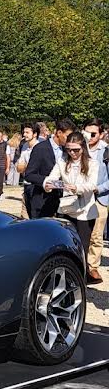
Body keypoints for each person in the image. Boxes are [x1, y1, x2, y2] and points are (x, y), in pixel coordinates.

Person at [43, 131, 98, 259]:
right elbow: (52, 177)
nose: (72, 153)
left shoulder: (92, 163)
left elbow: (92, 185)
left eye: (76, 150)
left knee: (82, 247)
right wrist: (47, 184)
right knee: (66, 244)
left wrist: (77, 188)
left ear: (83, 148)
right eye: (68, 150)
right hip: (67, 208)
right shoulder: (62, 161)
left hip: (85, 212)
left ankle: (81, 275)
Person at [24, 119, 75, 219]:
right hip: (42, 201)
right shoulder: (40, 148)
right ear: (59, 133)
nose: (70, 139)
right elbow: (29, 175)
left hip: (64, 202)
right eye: (68, 136)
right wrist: (49, 182)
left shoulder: (68, 150)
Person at [83, 118, 107, 283]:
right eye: (88, 132)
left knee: (96, 235)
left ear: (101, 133)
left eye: (94, 133)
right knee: (81, 232)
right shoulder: (78, 147)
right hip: (80, 196)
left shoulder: (106, 151)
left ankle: (92, 267)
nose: (90, 136)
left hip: (100, 197)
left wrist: (99, 188)